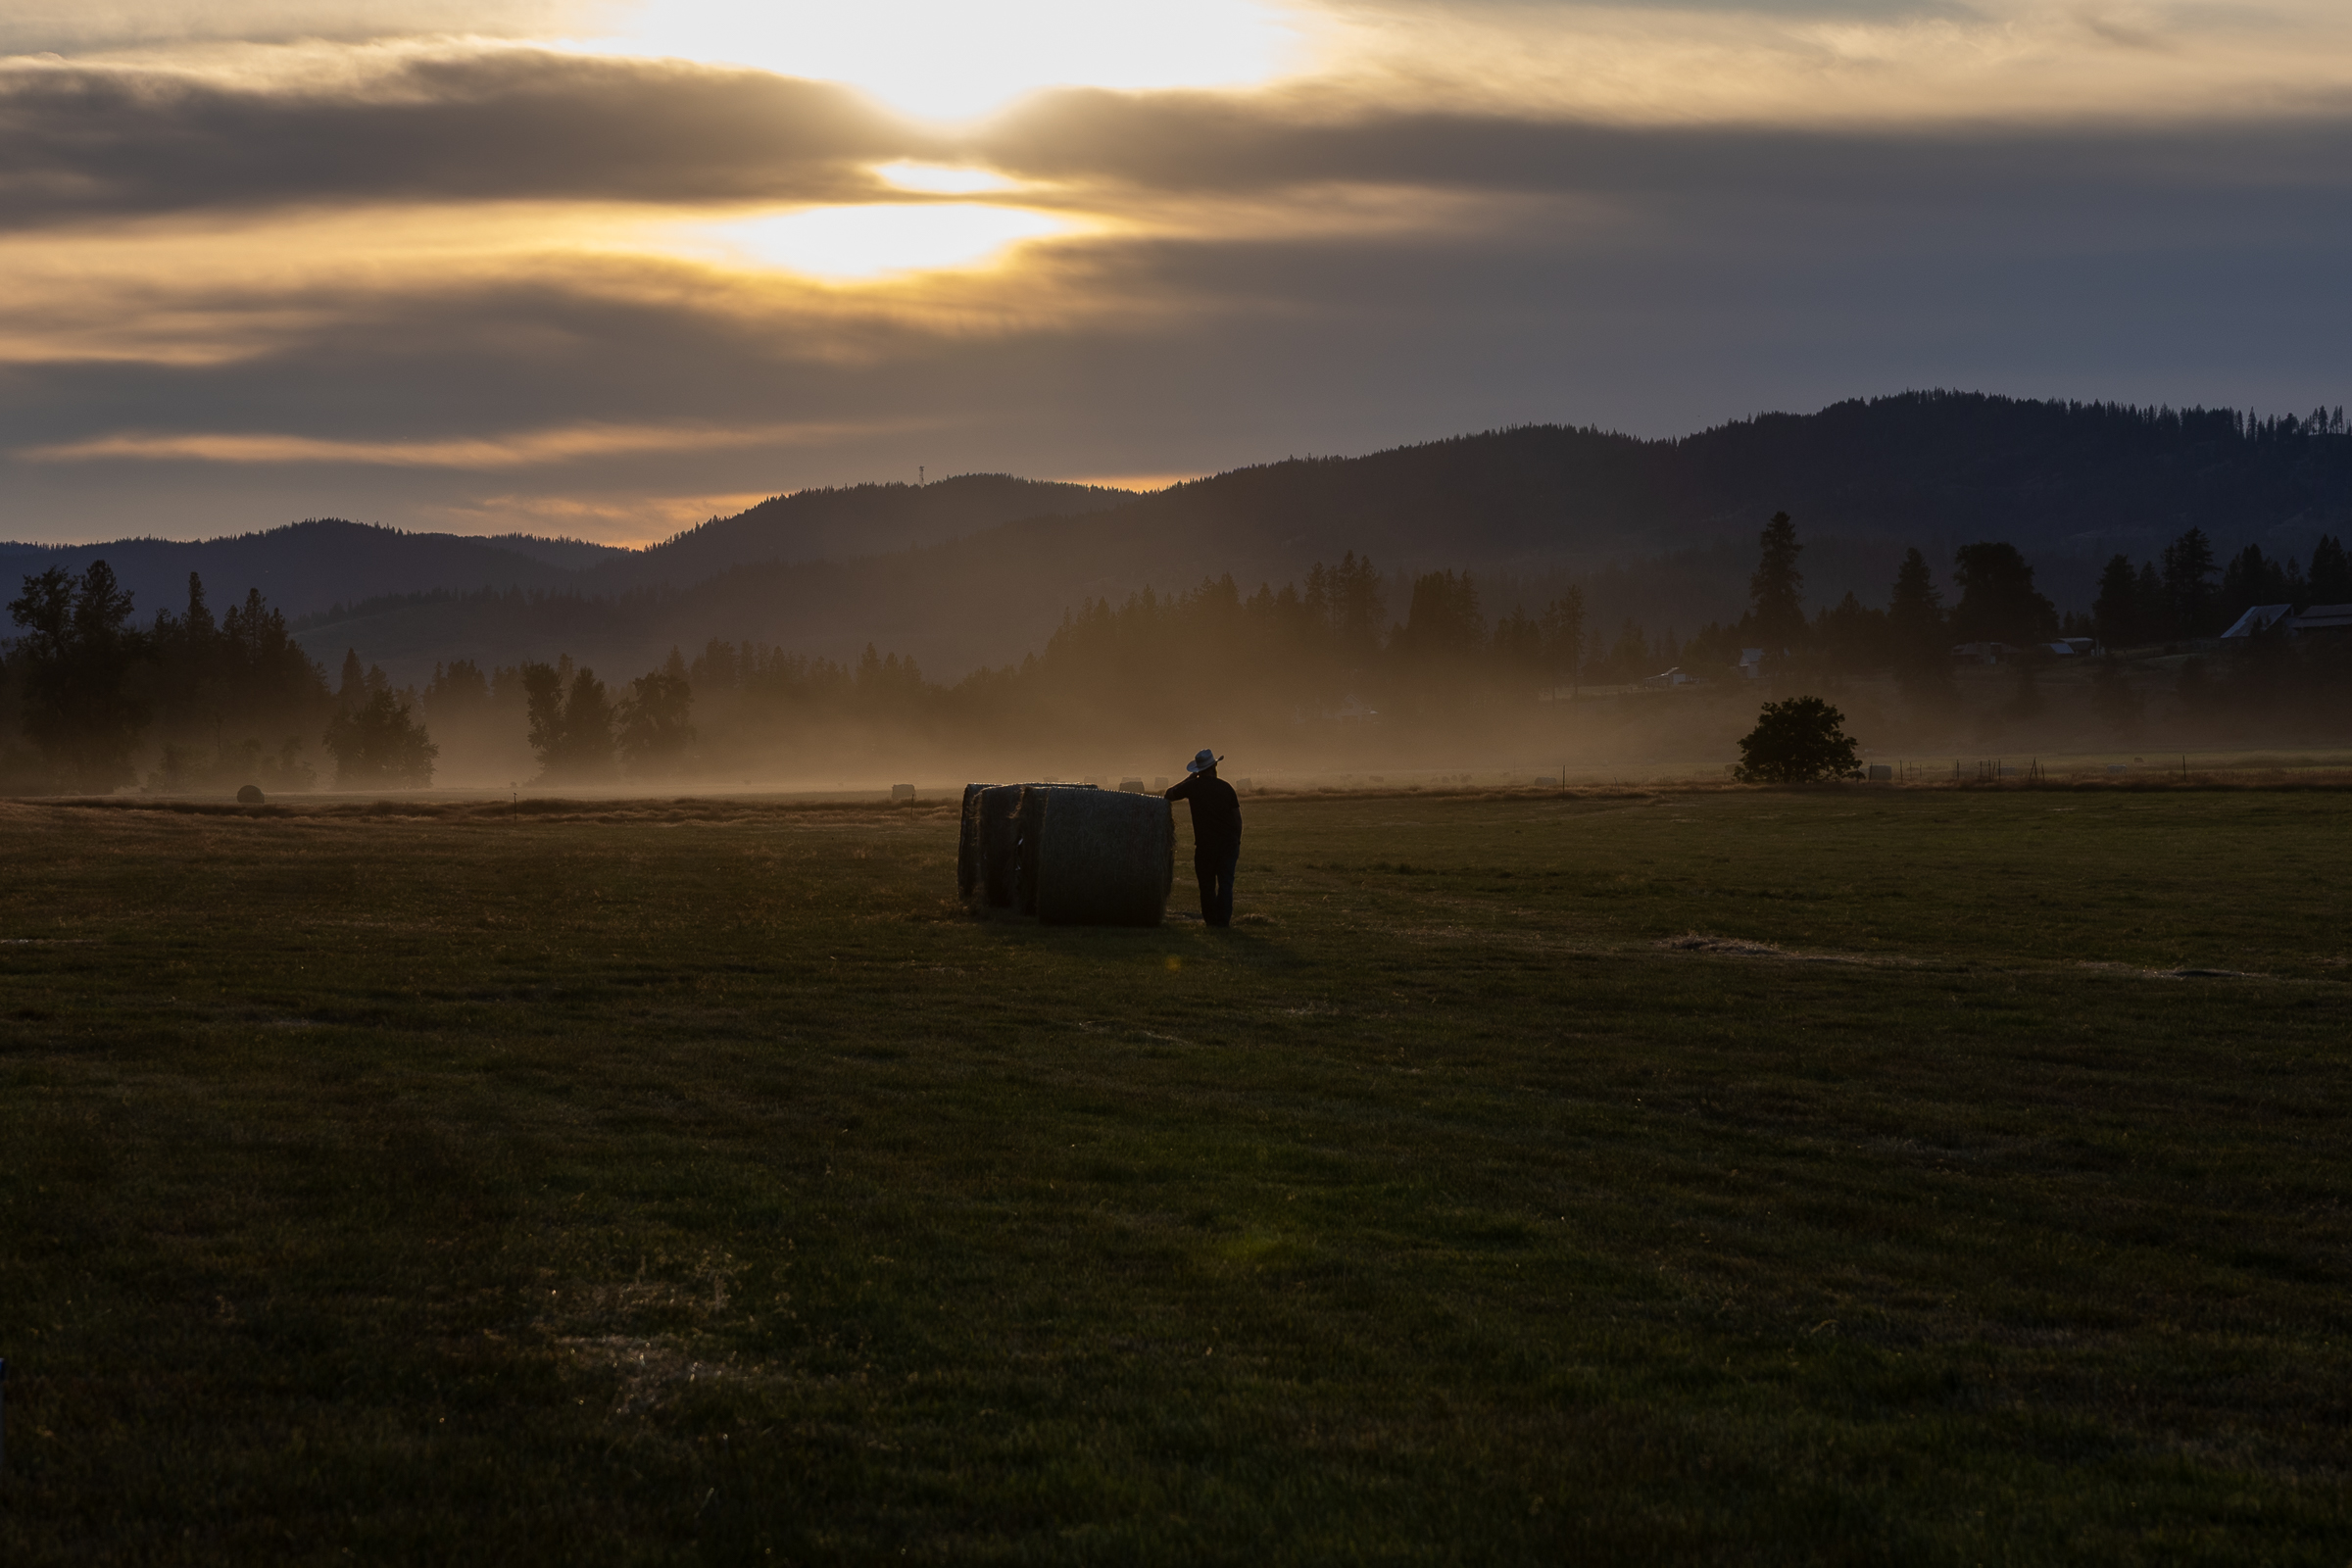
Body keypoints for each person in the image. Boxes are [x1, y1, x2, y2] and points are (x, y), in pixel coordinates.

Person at [1164, 748, 1242, 926]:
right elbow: (1237, 817)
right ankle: (1223, 921)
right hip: (1228, 842)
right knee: (1226, 883)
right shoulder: (1226, 787)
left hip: (1206, 844)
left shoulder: (1192, 787)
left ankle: (1211, 921)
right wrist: (1236, 840)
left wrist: (1189, 780)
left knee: (1206, 885)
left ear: (1198, 770)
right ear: (1214, 766)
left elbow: (1168, 795)